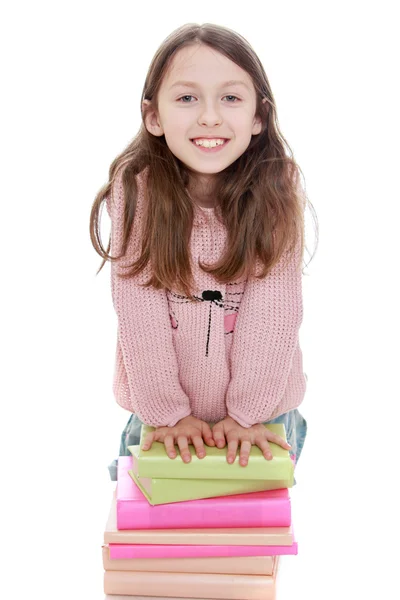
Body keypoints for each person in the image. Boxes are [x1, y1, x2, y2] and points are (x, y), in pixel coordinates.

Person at [90, 23, 316, 482]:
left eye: (230, 98)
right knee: (155, 534)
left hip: (261, 416)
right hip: (163, 419)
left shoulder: (276, 191)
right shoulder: (138, 193)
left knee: (245, 536)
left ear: (259, 116)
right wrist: (166, 412)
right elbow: (139, 312)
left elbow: (274, 311)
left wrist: (248, 413)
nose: (210, 117)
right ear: (153, 116)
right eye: (187, 98)